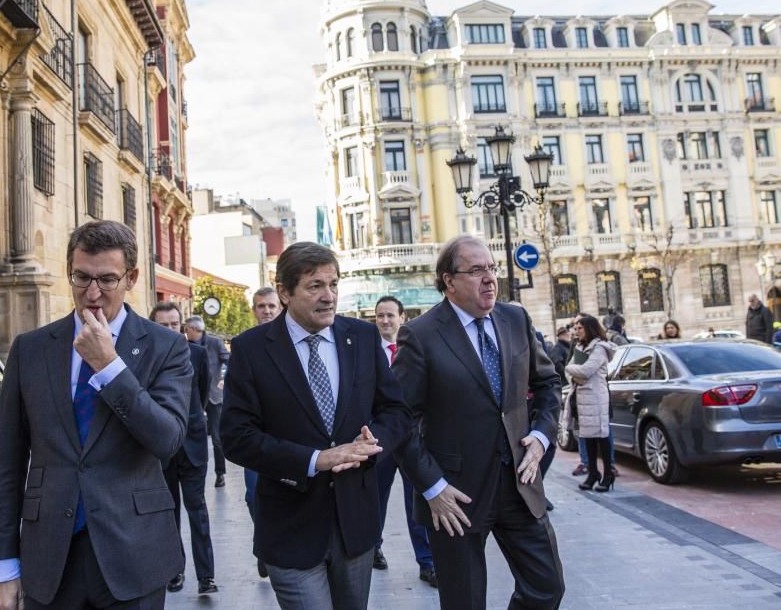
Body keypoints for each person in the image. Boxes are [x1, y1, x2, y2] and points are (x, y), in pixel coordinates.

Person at [0, 220, 193, 609]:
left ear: (131, 277)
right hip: (49, 557)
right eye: (81, 277)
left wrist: (110, 367)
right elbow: (7, 463)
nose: (92, 293)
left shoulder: (166, 347)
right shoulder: (31, 349)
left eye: (107, 280)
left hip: (135, 556)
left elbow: (167, 439)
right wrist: (3, 565)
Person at [220, 242, 411, 610]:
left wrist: (373, 443)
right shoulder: (251, 348)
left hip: (355, 525)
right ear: (284, 292)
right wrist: (315, 459)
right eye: (315, 286)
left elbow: (396, 411)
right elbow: (236, 437)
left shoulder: (362, 336)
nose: (329, 297)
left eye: (333, 284)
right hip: (290, 529)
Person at [394, 236, 564, 610]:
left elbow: (549, 383)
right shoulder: (420, 335)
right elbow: (400, 420)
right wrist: (432, 487)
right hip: (455, 496)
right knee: (465, 602)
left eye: (491, 268)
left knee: (547, 588)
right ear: (449, 281)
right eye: (476, 271)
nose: (489, 279)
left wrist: (540, 435)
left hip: (519, 483)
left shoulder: (515, 318)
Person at [150, 302, 217, 596]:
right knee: (168, 513)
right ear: (153, 326)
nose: (169, 330)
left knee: (197, 510)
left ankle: (207, 577)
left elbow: (201, 395)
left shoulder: (198, 354)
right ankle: (175, 571)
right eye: (162, 325)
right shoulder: (145, 357)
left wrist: (192, 422)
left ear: (182, 326)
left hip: (192, 445)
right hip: (160, 449)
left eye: (174, 324)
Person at [371, 295, 437, 587]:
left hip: (413, 440)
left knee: (418, 503)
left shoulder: (417, 350)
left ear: (402, 318)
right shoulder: (367, 352)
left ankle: (427, 561)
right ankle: (372, 547)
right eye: (380, 316)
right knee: (375, 499)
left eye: (390, 315)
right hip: (380, 442)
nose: (385, 321)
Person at [244, 286, 283, 580]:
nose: (267, 311)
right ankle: (265, 545)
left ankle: (273, 548)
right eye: (261, 307)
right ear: (254, 311)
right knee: (253, 495)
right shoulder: (245, 347)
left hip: (289, 437)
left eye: (271, 306)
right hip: (256, 440)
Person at [564, 315, 616, 493]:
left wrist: (574, 372)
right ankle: (593, 473)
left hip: (596, 398)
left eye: (580, 328)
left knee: (602, 438)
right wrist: (574, 373)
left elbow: (586, 371)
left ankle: (608, 474)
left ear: (590, 328)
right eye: (575, 328)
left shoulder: (599, 348)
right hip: (581, 398)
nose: (576, 331)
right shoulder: (580, 347)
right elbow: (568, 370)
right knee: (588, 438)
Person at [185, 315, 230, 486]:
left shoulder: (214, 342)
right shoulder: (185, 344)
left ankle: (220, 473)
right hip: (193, 397)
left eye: (187, 328)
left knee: (217, 438)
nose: (185, 331)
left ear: (195, 329)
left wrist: (224, 378)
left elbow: (228, 360)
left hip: (213, 396)